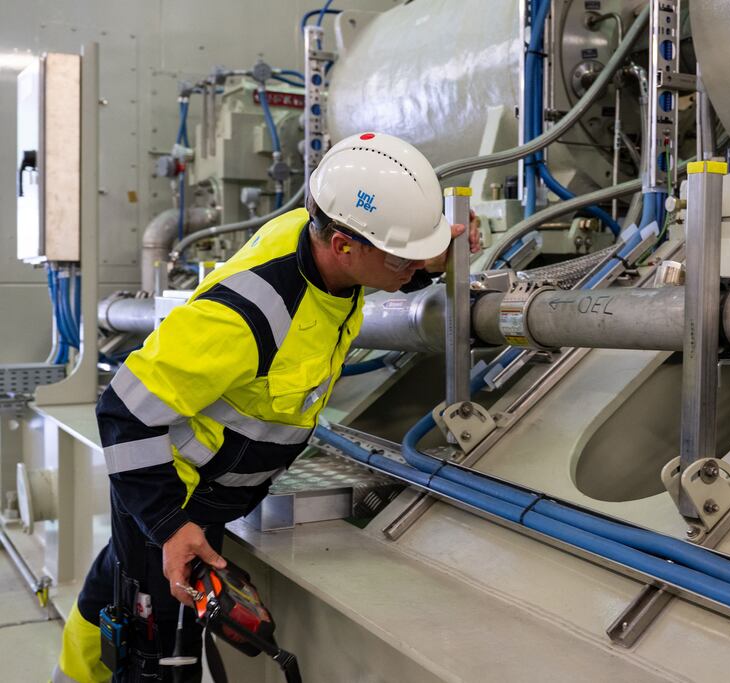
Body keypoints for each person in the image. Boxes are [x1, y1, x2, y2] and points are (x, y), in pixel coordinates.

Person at [52, 132, 480, 682]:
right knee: (158, 658)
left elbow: (382, 259)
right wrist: (170, 526)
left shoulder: (322, 247)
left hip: (203, 496)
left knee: (114, 588)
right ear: (345, 246)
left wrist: (423, 259)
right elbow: (122, 411)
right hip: (175, 495)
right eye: (403, 257)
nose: (413, 266)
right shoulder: (245, 319)